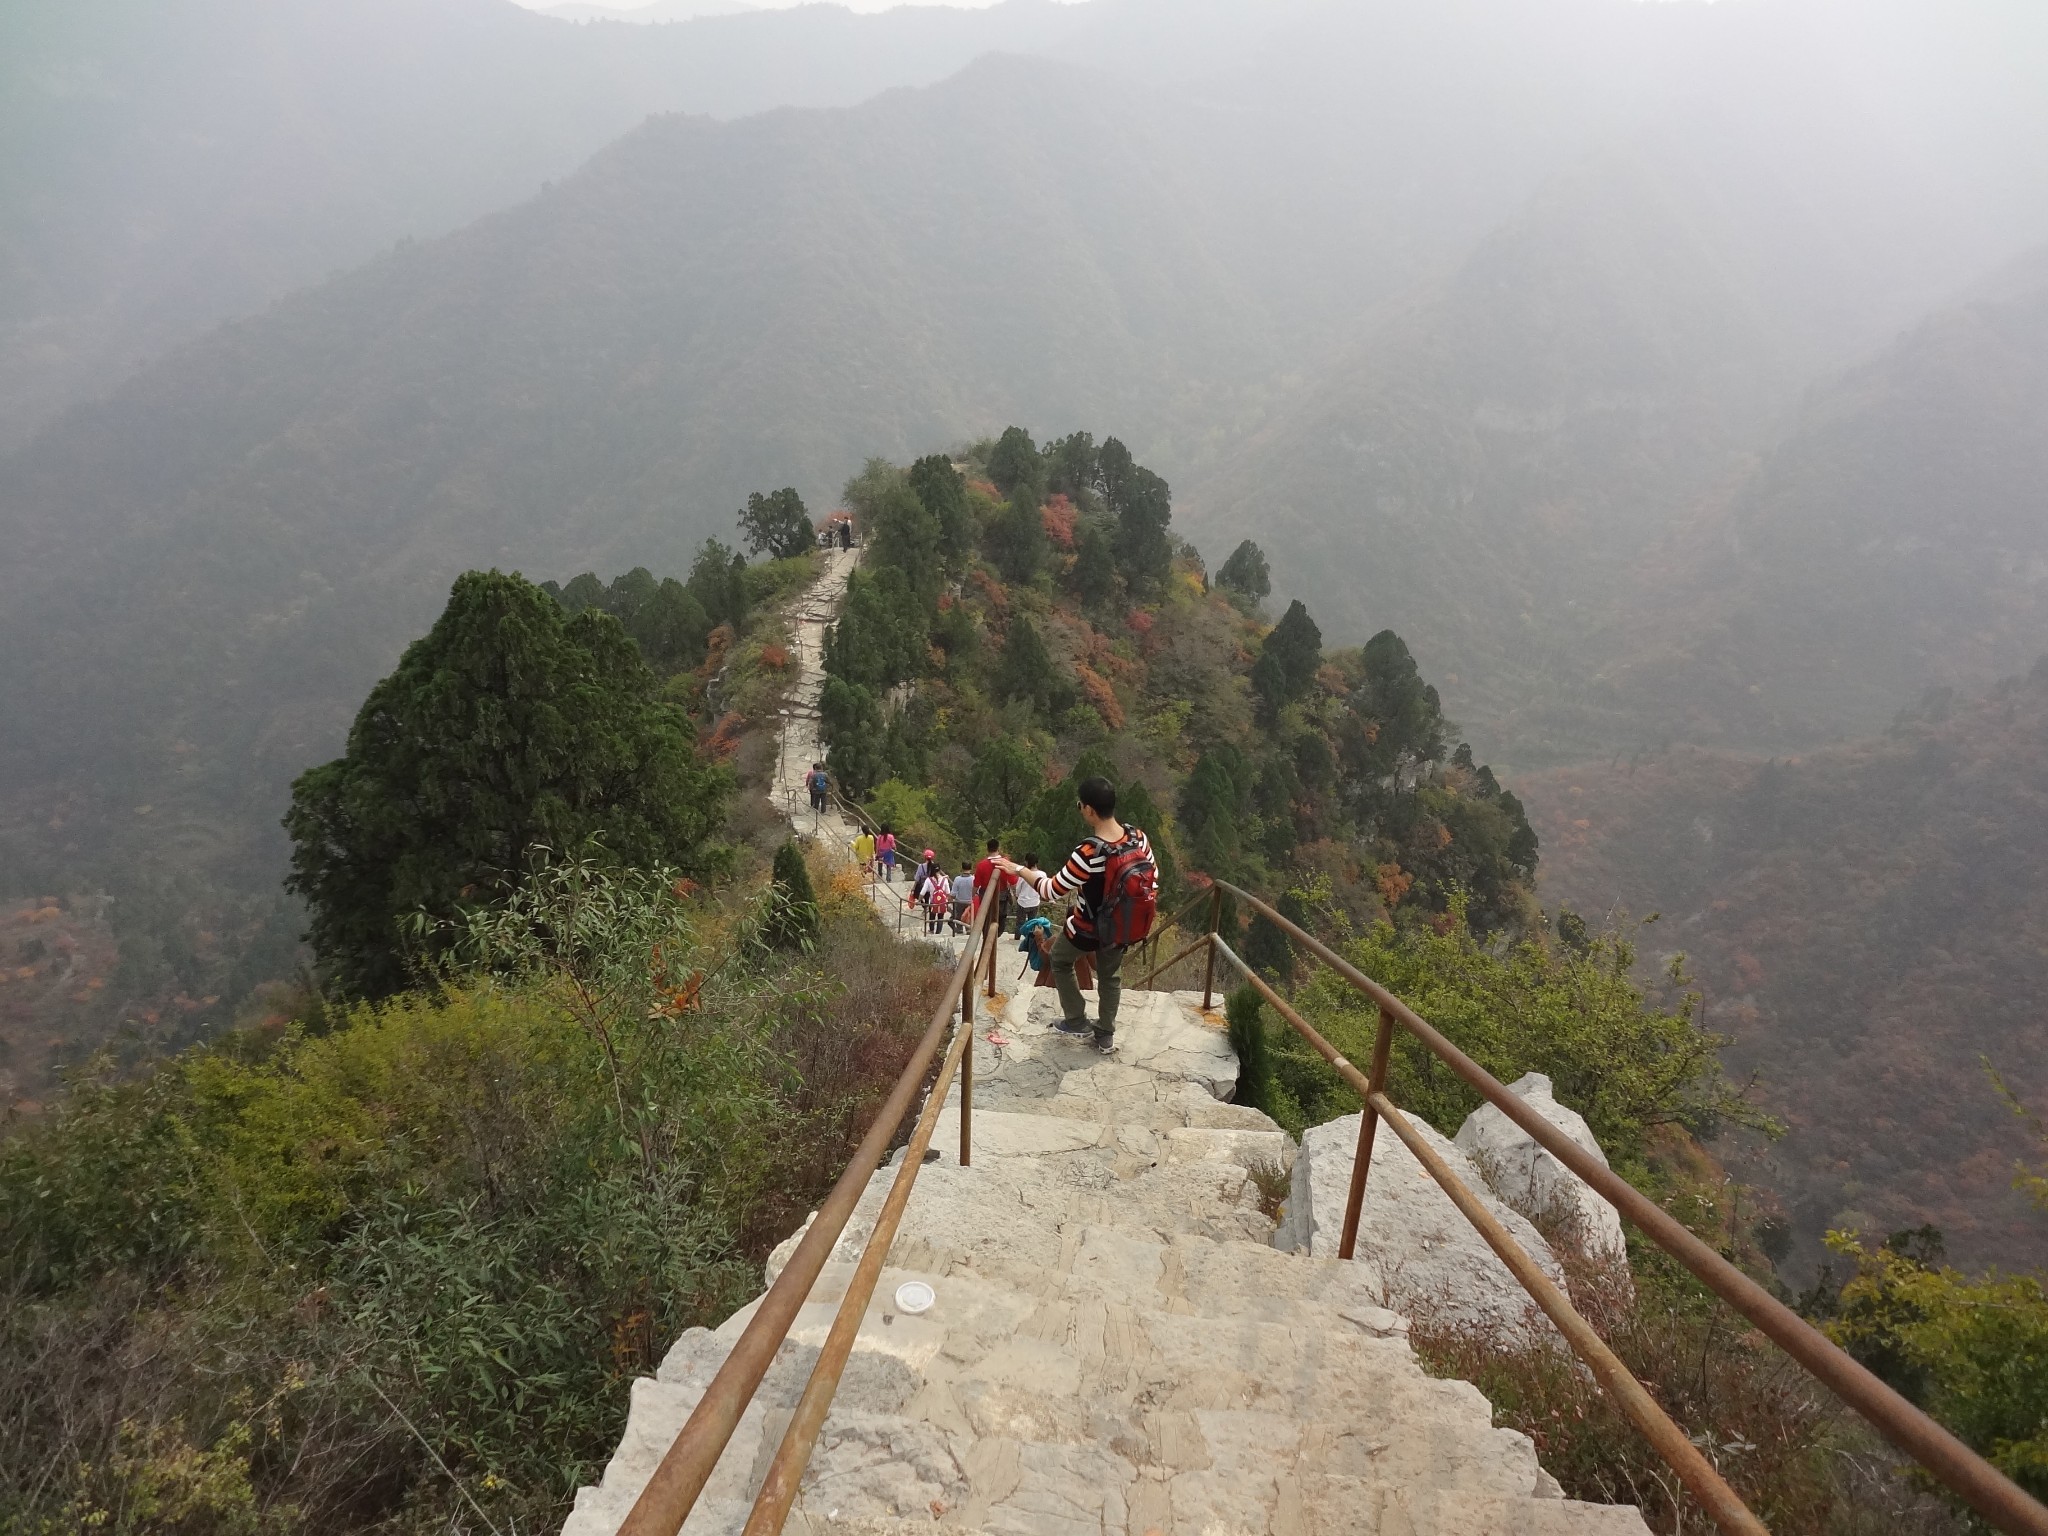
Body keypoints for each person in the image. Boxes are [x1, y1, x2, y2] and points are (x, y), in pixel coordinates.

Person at [993, 777, 1154, 1052]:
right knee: (1110, 977)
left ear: (1089, 810)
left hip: (1087, 927)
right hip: (1122, 926)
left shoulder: (1088, 852)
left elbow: (1050, 889)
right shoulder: (1138, 838)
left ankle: (1077, 1020)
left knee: (1059, 959)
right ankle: (1105, 1034)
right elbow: (1152, 878)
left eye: (1080, 805)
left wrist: (1017, 869)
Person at [971, 838, 1012, 934]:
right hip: (1001, 896)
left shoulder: (981, 865)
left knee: (985, 916)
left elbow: (976, 884)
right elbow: (1013, 881)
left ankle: (986, 935)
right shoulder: (1005, 862)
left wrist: (972, 896)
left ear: (987, 849)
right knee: (1001, 916)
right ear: (998, 848)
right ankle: (997, 934)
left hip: (985, 895)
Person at [1012, 851, 1043, 934]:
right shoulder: (1042, 874)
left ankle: (1017, 939)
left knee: (1020, 923)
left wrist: (1017, 896)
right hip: (1035, 902)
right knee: (1032, 923)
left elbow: (1018, 889)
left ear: (1027, 862)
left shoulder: (1024, 874)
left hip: (1022, 902)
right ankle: (1030, 940)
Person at [949, 867, 975, 935]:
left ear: (962, 868)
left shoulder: (957, 879)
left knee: (958, 916)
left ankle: (959, 929)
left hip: (959, 901)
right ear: (971, 868)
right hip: (970, 902)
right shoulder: (973, 879)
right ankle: (968, 929)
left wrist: (950, 900)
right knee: (969, 916)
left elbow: (953, 893)